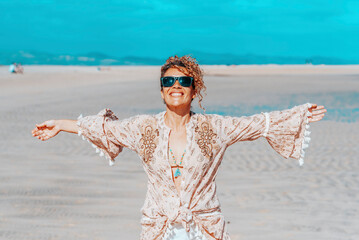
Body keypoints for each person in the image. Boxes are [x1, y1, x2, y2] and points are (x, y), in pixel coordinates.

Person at [31, 55, 326, 240]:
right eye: (168, 80)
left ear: (194, 89)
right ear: (161, 90)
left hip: (204, 229)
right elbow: (103, 128)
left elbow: (257, 123)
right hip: (159, 230)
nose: (176, 85)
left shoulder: (215, 127)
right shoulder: (143, 128)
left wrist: (298, 114)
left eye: (183, 80)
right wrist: (59, 123)